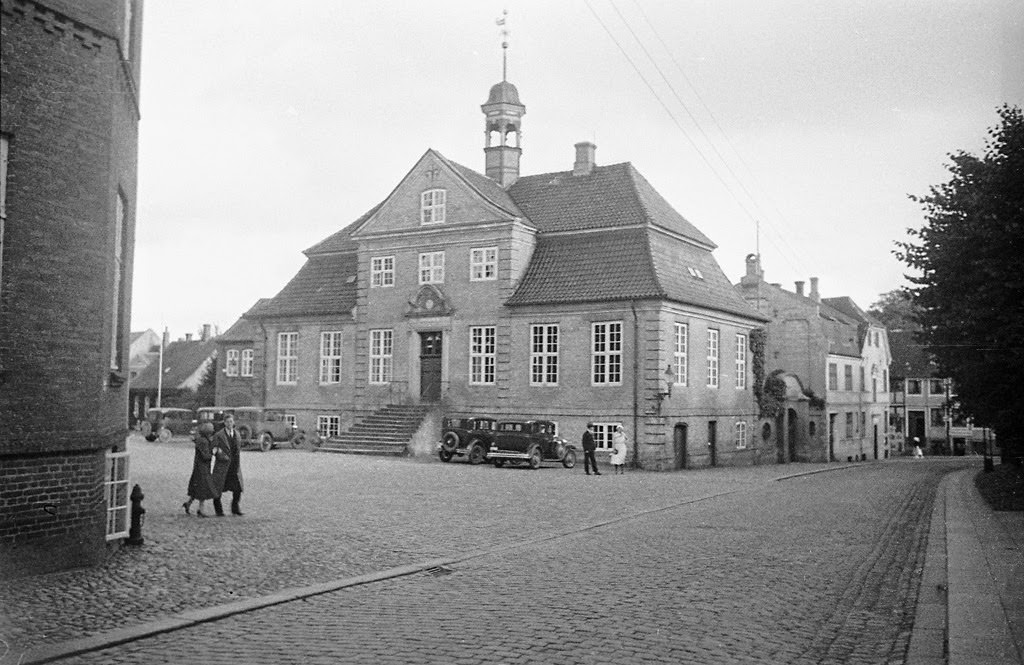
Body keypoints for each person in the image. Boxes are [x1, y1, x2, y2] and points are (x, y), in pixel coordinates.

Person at [212, 414, 245, 516]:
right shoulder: (219, 435)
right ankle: (219, 510)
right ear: (224, 423)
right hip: (223, 466)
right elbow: (214, 448)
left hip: (234, 466)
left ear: (233, 422)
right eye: (227, 422)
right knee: (218, 488)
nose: (229, 424)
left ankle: (235, 508)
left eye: (231, 421)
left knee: (238, 489)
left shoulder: (237, 434)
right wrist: (219, 453)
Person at [183, 422, 218, 517]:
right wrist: (213, 452)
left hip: (198, 468)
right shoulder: (204, 442)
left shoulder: (200, 440)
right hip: (203, 469)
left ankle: (188, 503)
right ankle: (201, 510)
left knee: (196, 489)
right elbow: (206, 456)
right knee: (203, 489)